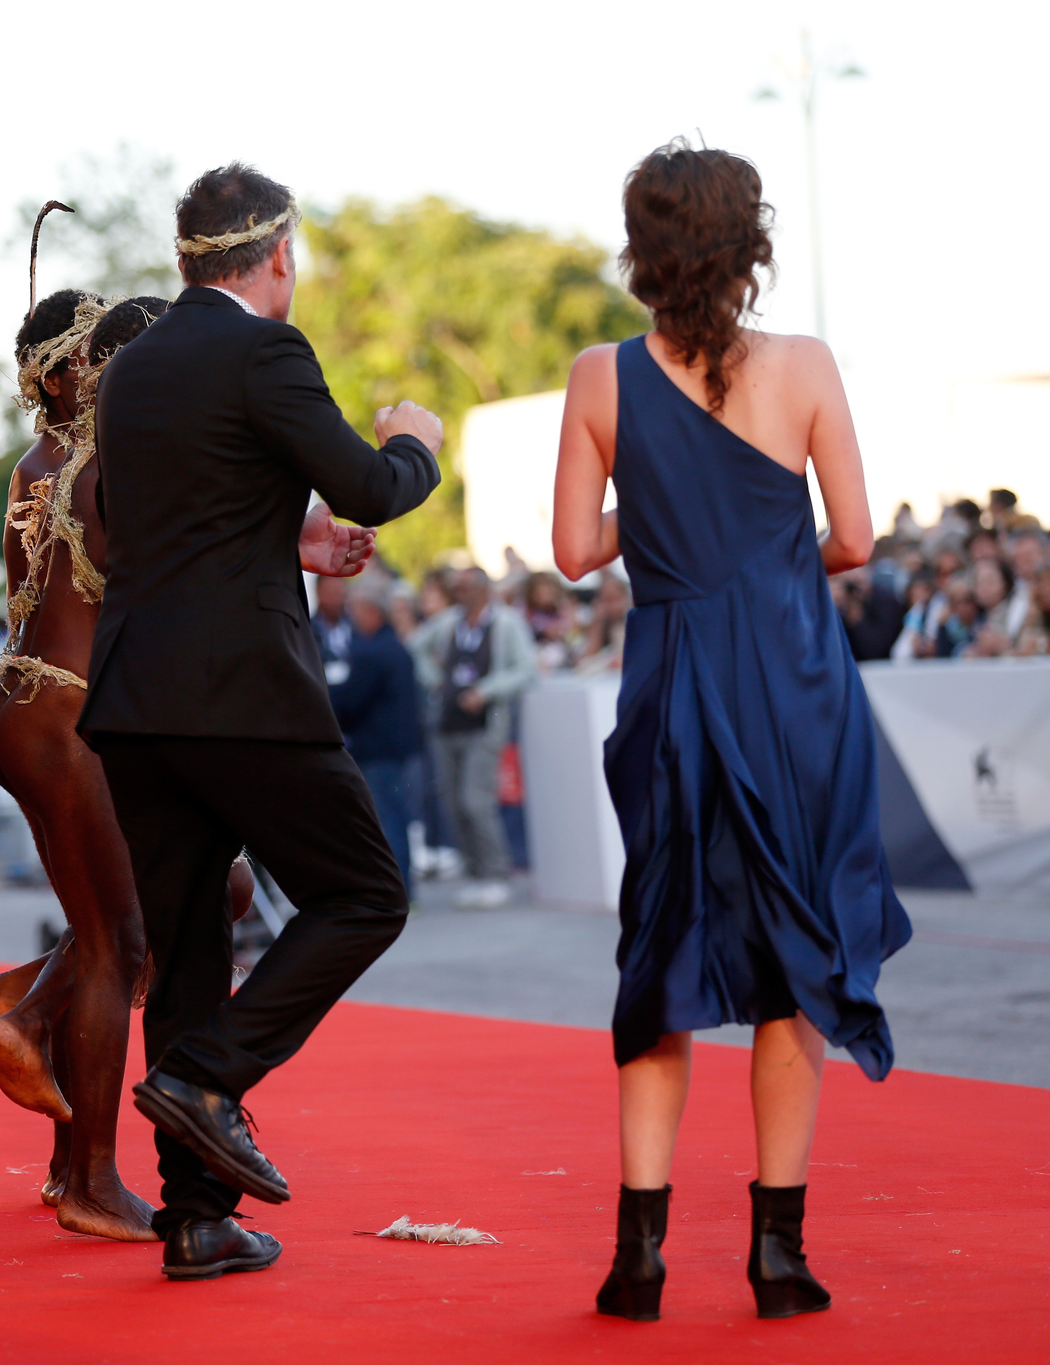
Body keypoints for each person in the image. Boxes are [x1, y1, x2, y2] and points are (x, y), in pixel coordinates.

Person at [554, 142, 912, 1322]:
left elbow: (572, 552)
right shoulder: (803, 364)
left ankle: (636, 1257)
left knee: (661, 947)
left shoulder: (598, 376)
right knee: (788, 963)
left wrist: (654, 507)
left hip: (670, 677)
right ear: (747, 242)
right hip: (794, 676)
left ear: (638, 252)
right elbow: (854, 541)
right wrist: (767, 572)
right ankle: (776, 1253)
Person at [81, 162, 441, 1280]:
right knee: (364, 892)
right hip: (239, 693)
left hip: (138, 694)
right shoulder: (264, 350)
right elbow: (371, 489)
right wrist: (412, 440)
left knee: (186, 947)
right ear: (276, 256)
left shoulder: (129, 371)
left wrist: (289, 543)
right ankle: (208, 1078)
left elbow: (160, 523)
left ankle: (194, 1220)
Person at [0, 290, 170, 1241]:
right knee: (119, 941)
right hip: (72, 712)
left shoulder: (32, 466)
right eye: (91, 357)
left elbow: (22, 599)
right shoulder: (112, 460)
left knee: (147, 917)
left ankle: (38, 1011)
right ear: (57, 375)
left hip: (22, 702)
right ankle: (91, 1176)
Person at [408, 566, 537, 906]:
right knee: (453, 803)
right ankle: (476, 872)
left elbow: (526, 669)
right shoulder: (449, 622)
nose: (458, 593)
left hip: (486, 723)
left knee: (475, 800)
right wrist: (434, 678)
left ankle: (496, 872)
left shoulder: (506, 622)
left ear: (482, 589)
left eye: (464, 587)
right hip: (449, 723)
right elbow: (415, 648)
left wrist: (487, 690)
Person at [329, 581, 424, 897]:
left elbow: (349, 700)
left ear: (370, 611)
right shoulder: (392, 647)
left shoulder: (373, 652)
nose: (351, 615)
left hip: (379, 751)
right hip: (393, 750)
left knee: (388, 819)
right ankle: (401, 890)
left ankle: (397, 891)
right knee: (393, 816)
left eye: (355, 608)